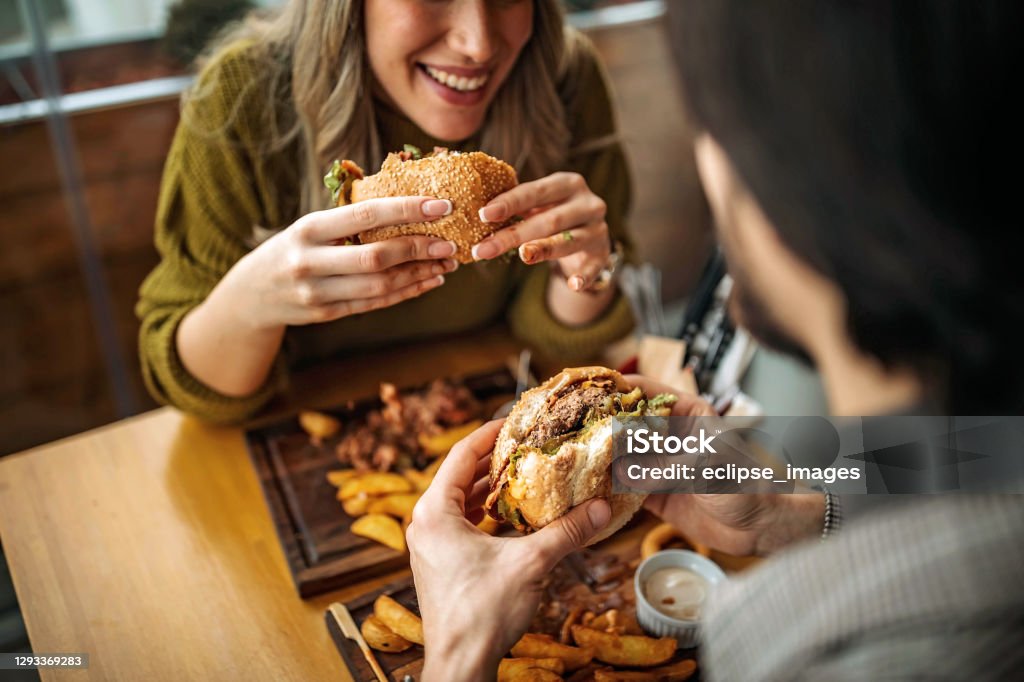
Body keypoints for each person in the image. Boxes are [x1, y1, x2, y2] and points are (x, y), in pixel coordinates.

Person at [408, 2, 1024, 680]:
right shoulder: (991, 449)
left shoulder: (812, 660)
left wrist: (456, 655)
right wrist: (789, 516)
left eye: (716, 130)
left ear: (805, 189)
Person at [137, 0, 635, 422]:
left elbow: (558, 348)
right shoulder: (239, 100)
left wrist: (586, 269)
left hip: (488, 420)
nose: (478, 43)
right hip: (296, 438)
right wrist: (251, 305)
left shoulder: (562, 78)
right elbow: (200, 394)